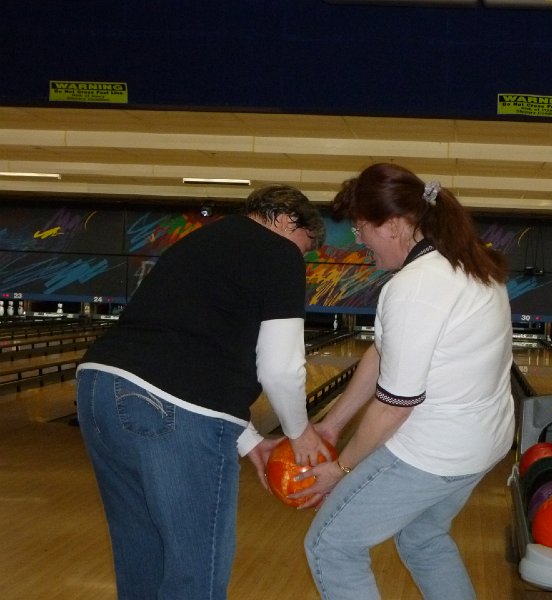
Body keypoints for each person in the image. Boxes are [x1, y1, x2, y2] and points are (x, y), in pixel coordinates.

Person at [76, 185, 331, 600]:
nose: (300, 257)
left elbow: (195, 346)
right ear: (289, 221)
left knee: (141, 556)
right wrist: (300, 434)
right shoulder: (279, 252)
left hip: (98, 388)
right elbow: (280, 369)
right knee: (197, 571)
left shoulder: (199, 241)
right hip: (170, 407)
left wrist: (250, 442)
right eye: (304, 247)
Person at [296, 163, 515, 600]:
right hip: (483, 443)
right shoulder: (470, 265)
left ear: (393, 225)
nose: (360, 241)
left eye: (361, 229)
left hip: (433, 452)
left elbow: (394, 406)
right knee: (422, 536)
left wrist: (341, 468)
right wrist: (333, 424)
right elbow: (383, 353)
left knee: (331, 547)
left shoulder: (415, 287)